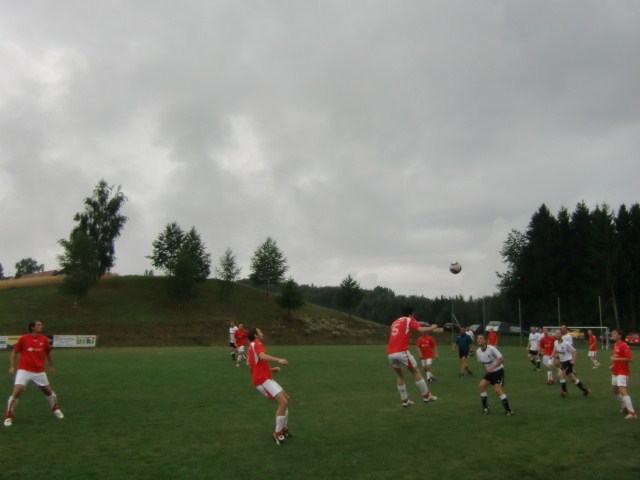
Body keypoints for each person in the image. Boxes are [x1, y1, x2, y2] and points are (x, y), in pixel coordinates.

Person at [4, 321, 64, 427]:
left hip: (39, 371)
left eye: (41, 324)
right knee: (17, 391)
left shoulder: (44, 339)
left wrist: (51, 366)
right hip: (24, 370)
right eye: (38, 325)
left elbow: (48, 353)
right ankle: (8, 416)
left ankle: (56, 409)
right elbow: (14, 352)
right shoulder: (24, 338)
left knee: (48, 391)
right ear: (32, 328)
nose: (41, 326)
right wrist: (12, 366)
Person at [247, 327, 291, 444]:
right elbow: (262, 357)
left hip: (264, 378)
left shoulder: (251, 347)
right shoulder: (257, 343)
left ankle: (283, 428)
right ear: (256, 335)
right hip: (263, 381)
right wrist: (278, 360)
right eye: (260, 332)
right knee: (283, 402)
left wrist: (271, 369)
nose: (262, 333)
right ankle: (277, 433)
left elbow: (255, 367)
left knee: (286, 399)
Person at [387, 307, 438, 407]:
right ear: (411, 314)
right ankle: (426, 396)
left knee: (400, 376)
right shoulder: (409, 319)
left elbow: (398, 335)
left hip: (390, 353)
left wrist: (408, 338)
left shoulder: (394, 322)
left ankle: (405, 401)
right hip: (401, 352)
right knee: (415, 371)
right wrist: (432, 327)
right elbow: (420, 329)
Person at [475, 334, 513, 416]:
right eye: (478, 338)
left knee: (497, 390)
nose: (479, 339)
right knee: (481, 386)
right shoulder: (478, 351)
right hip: (490, 373)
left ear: (485, 340)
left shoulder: (491, 349)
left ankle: (509, 411)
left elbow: (502, 359)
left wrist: (492, 367)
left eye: (481, 338)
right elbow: (483, 363)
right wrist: (487, 371)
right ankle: (486, 408)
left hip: (498, 371)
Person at [551, 328, 590, 398]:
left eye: (559, 333)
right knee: (573, 379)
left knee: (560, 374)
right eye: (556, 333)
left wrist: (573, 360)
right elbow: (555, 350)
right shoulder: (555, 342)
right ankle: (585, 390)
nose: (557, 335)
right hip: (563, 362)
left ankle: (564, 392)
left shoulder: (566, 343)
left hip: (568, 362)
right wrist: (552, 355)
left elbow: (574, 351)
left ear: (561, 334)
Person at [610, 329, 637, 419]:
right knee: (614, 390)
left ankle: (632, 413)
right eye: (612, 333)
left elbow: (630, 359)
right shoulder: (615, 345)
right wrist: (613, 365)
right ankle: (625, 407)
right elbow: (618, 357)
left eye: (615, 333)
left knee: (622, 390)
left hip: (623, 371)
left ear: (620, 335)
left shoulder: (624, 345)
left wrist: (616, 359)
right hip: (615, 371)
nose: (613, 335)